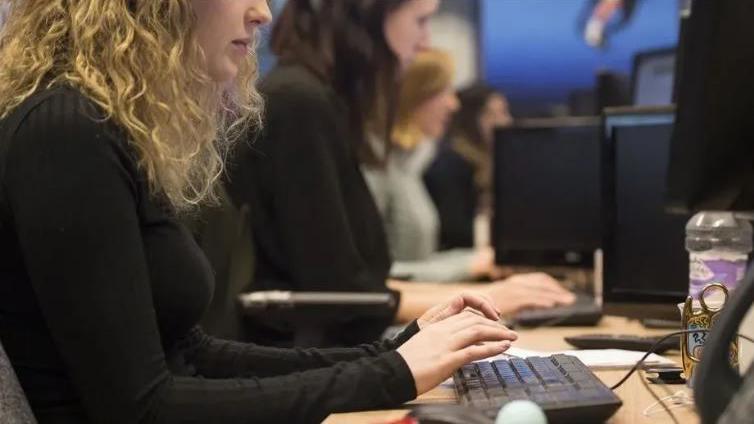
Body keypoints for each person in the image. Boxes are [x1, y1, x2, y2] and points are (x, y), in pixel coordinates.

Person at [0, 1, 519, 422]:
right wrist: (392, 375)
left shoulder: (111, 130)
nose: (263, 13)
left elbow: (195, 354)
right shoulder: (67, 132)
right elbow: (142, 408)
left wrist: (397, 353)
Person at [226, 0, 575, 347]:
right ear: (366, 18)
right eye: (420, 21)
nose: (425, 42)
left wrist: (478, 295)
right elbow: (341, 295)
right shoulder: (299, 102)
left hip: (324, 362)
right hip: (307, 369)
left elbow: (362, 287)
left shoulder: (319, 101)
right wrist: (484, 297)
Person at [363, 49, 501, 282]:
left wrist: (484, 260)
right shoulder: (376, 167)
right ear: (412, 95)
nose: (453, 104)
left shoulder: (405, 167)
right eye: (442, 91)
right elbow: (375, 278)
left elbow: (420, 263)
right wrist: (470, 266)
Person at [424, 83, 512, 251]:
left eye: (504, 112)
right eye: (493, 115)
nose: (505, 122)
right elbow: (456, 231)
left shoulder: (490, 162)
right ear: (470, 120)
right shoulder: (450, 165)